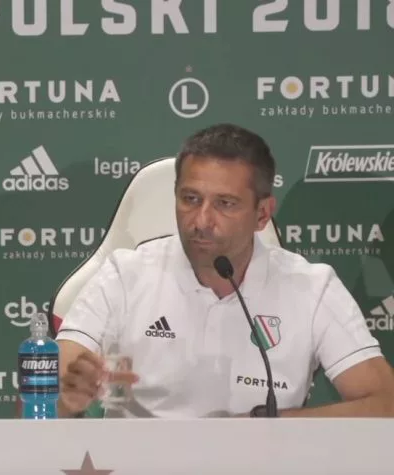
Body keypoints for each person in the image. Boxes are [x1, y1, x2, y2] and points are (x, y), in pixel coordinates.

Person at [56, 123, 394, 418]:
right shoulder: (124, 276)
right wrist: (66, 399)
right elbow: (46, 396)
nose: (202, 221)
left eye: (225, 204)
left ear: (262, 214)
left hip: (261, 461)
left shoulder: (311, 287)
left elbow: (386, 404)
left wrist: (268, 426)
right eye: (190, 199)